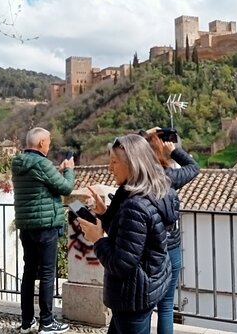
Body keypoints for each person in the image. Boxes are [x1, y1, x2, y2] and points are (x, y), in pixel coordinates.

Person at [78, 134, 179, 334]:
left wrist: (97, 239)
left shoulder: (135, 204)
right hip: (145, 287)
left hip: (133, 296)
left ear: (133, 164)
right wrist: (104, 215)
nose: (109, 168)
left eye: (114, 162)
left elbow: (121, 264)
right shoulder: (154, 191)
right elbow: (130, 236)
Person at [12, 127, 74, 334]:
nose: (49, 145)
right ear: (40, 143)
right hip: (45, 226)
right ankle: (47, 321)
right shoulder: (43, 163)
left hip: (26, 226)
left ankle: (27, 321)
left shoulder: (18, 163)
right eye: (48, 141)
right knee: (47, 274)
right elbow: (66, 188)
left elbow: (41, 185)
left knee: (29, 273)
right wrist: (69, 170)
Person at [143, 127, 200, 334]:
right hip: (172, 246)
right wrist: (174, 151)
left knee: (146, 304)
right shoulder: (169, 177)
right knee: (166, 305)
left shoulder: (138, 179)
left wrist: (145, 135)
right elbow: (194, 167)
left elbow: (125, 146)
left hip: (148, 249)